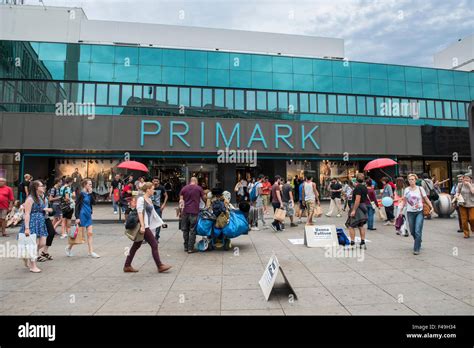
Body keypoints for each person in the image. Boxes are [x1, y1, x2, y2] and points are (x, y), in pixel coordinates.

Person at [124, 182, 172, 273]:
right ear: (148, 189)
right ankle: (160, 266)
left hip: (146, 225)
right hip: (144, 226)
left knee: (136, 246)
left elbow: (154, 213)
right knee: (154, 244)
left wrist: (162, 223)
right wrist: (142, 226)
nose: (154, 190)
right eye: (152, 188)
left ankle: (127, 265)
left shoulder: (149, 199)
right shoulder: (141, 199)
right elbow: (139, 212)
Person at [18, 180, 51, 273]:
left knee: (42, 243)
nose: (43, 187)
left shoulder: (39, 197)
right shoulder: (30, 198)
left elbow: (42, 209)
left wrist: (47, 209)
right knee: (34, 244)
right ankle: (33, 265)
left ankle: (27, 255)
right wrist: (27, 228)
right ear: (36, 188)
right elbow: (27, 214)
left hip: (41, 222)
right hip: (32, 222)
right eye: (41, 186)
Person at [397, 174, 434, 255]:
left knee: (417, 230)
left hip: (419, 212)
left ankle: (416, 248)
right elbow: (405, 200)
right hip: (410, 212)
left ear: (416, 180)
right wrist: (401, 210)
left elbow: (426, 198)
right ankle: (418, 239)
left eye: (412, 179)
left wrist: (431, 207)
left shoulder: (420, 189)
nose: (411, 181)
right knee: (412, 231)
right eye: (409, 179)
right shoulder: (406, 189)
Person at [65, 179, 100, 258]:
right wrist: (77, 217)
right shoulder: (81, 194)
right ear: (85, 185)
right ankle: (69, 247)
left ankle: (91, 252)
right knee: (78, 234)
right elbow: (77, 206)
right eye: (89, 184)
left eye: (91, 184)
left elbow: (94, 203)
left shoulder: (90, 193)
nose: (91, 186)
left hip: (88, 215)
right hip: (82, 215)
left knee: (90, 233)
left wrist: (91, 194)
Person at [179, 177, 205, 253]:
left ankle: (186, 247)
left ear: (190, 181)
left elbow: (181, 201)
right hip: (194, 212)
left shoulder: (184, 188)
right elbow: (204, 199)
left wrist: (180, 211)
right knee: (192, 230)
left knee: (185, 230)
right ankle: (190, 248)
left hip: (185, 212)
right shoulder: (199, 188)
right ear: (196, 181)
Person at [346, 173, 368, 249]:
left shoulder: (358, 188)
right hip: (363, 206)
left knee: (351, 225)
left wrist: (354, 210)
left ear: (356, 179)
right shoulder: (364, 187)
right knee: (361, 225)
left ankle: (352, 244)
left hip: (357, 208)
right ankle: (362, 243)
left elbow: (357, 200)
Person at [455, 173, 474, 239]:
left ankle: (473, 227)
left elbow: (473, 192)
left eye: (467, 178)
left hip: (472, 204)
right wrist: (456, 195)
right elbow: (458, 192)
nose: (465, 179)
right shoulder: (460, 185)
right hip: (462, 204)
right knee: (464, 220)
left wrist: (469, 185)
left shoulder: (472, 185)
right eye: (464, 178)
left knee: (472, 218)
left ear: (471, 179)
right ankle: (466, 233)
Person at [151, 177, 168, 241]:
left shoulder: (161, 188)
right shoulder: (150, 187)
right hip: (150, 206)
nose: (155, 182)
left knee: (158, 221)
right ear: (152, 181)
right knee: (149, 221)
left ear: (159, 182)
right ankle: (149, 237)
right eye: (154, 181)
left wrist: (163, 204)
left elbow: (166, 195)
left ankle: (156, 237)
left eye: (157, 181)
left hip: (158, 207)